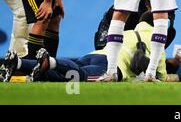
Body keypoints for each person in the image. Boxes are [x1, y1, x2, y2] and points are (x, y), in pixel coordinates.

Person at [1, 14, 167, 82]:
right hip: (112, 66)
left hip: (95, 54)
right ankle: (49, 62)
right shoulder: (159, 43)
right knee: (82, 77)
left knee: (63, 77)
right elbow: (162, 76)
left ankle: (18, 63)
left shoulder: (128, 32)